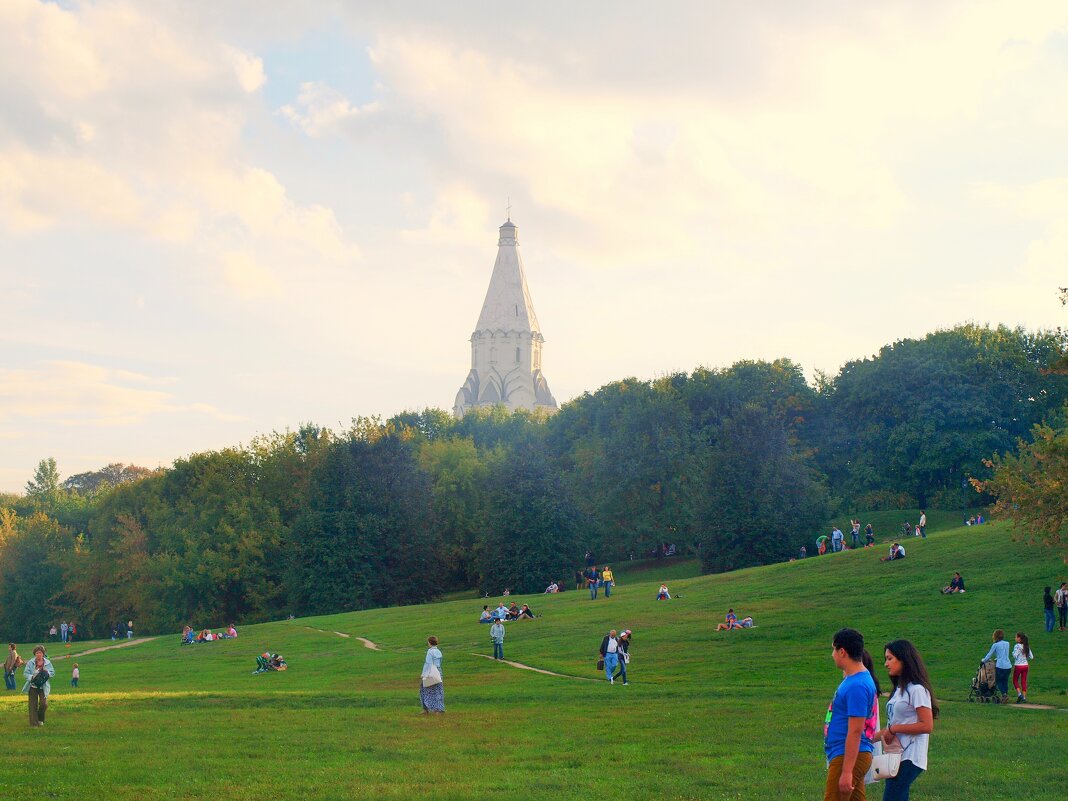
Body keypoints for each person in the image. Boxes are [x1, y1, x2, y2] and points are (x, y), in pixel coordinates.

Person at [873, 639, 938, 801]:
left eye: (890, 658)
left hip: (910, 756)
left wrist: (894, 730)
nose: (886, 664)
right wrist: (864, 739)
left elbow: (927, 725)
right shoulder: (898, 691)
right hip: (895, 755)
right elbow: (891, 727)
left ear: (904, 659)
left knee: (892, 796)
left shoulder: (917, 690)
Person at [823, 628, 876, 801]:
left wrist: (846, 772)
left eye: (833, 649)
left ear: (842, 651)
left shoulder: (857, 686)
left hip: (847, 755)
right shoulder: (854, 680)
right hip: (847, 754)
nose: (832, 655)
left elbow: (855, 731)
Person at [22, 646, 55, 727]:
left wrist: (47, 672)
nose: (38, 654)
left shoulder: (47, 662)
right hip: (33, 686)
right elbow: (25, 673)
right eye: (37, 653)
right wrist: (32, 677)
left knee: (44, 704)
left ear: (43, 654)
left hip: (43, 687)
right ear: (34, 654)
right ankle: (34, 724)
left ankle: (40, 719)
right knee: (32, 705)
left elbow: (52, 673)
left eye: (40, 652)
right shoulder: (31, 662)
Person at [981, 629, 1012, 701]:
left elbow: (989, 655)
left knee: (998, 681)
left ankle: (1004, 695)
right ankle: (1005, 694)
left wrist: (983, 660)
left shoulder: (995, 645)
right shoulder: (1007, 643)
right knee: (1005, 681)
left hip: (1000, 665)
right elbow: (1004, 654)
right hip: (1008, 665)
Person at [420, 636, 445, 714]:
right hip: (438, 671)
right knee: (438, 690)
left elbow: (428, 663)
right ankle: (439, 709)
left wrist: (424, 674)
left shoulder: (430, 652)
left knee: (425, 689)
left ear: (429, 643)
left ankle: (426, 708)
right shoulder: (439, 651)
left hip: (430, 671)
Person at [1011, 632, 1032, 703]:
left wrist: (1013, 653)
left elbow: (1015, 655)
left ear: (1019, 638)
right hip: (1025, 665)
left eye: (1016, 637)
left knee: (1015, 680)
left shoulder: (1017, 646)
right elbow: (1031, 657)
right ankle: (1024, 697)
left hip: (1018, 666)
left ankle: (1019, 695)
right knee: (1023, 681)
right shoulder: (1026, 646)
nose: (1015, 638)